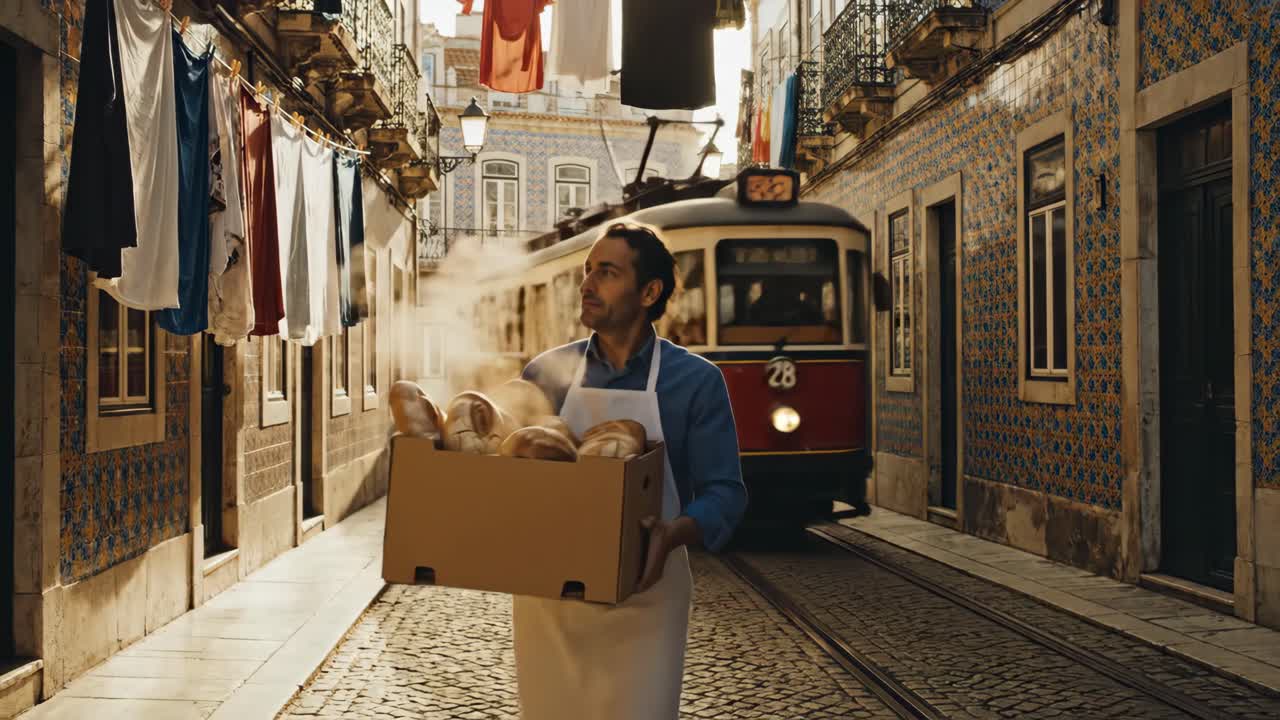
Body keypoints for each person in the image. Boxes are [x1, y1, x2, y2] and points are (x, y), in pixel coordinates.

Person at [517, 223, 749, 719]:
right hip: (549, 603)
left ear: (649, 292)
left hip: (648, 594)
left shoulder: (697, 382)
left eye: (607, 272)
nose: (586, 284)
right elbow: (510, 476)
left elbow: (725, 493)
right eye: (587, 271)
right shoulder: (543, 375)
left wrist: (672, 533)